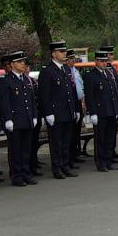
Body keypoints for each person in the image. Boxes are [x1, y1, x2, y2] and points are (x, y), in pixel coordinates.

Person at [38, 40, 79, 179]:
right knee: (56, 142)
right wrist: (48, 113)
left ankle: (65, 166)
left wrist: (76, 109)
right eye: (61, 52)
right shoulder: (47, 71)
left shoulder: (66, 69)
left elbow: (71, 91)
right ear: (53, 54)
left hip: (67, 111)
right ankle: (57, 168)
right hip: (55, 113)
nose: (64, 54)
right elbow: (45, 95)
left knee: (66, 141)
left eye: (65, 51)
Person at [0, 51, 40, 184]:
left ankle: (26, 173)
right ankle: (16, 175)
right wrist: (8, 119)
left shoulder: (26, 79)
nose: (23, 64)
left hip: (26, 119)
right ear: (12, 64)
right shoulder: (6, 81)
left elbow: (31, 100)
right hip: (15, 120)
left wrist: (33, 115)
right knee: (16, 149)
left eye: (23, 62)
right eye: (20, 62)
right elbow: (4, 102)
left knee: (26, 149)